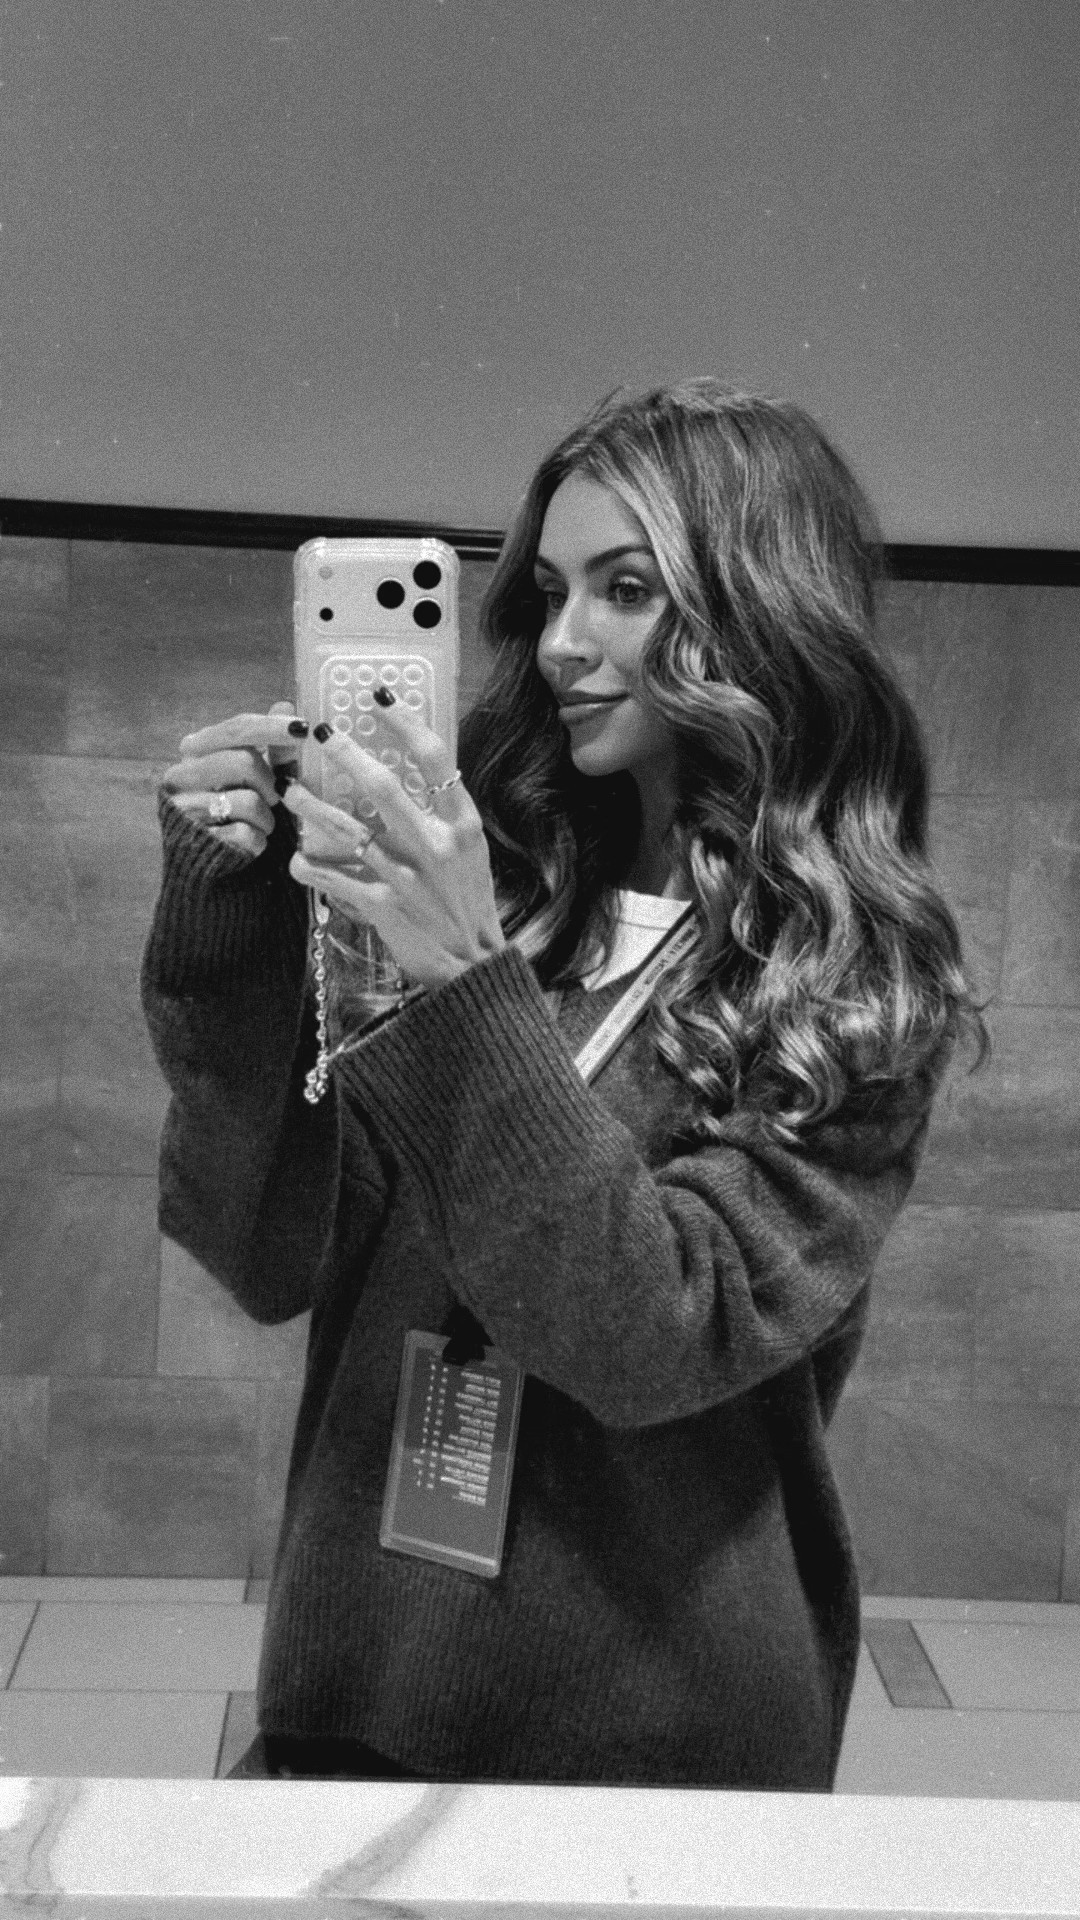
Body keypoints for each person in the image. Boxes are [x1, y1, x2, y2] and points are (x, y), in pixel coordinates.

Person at [141, 380, 985, 1788]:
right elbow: (267, 1248)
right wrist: (228, 926)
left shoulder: (848, 981)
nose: (560, 644)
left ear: (759, 612)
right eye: (546, 592)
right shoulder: (503, 882)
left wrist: (465, 978)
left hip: (658, 1726)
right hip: (366, 1669)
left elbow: (644, 1335)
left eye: (626, 590)